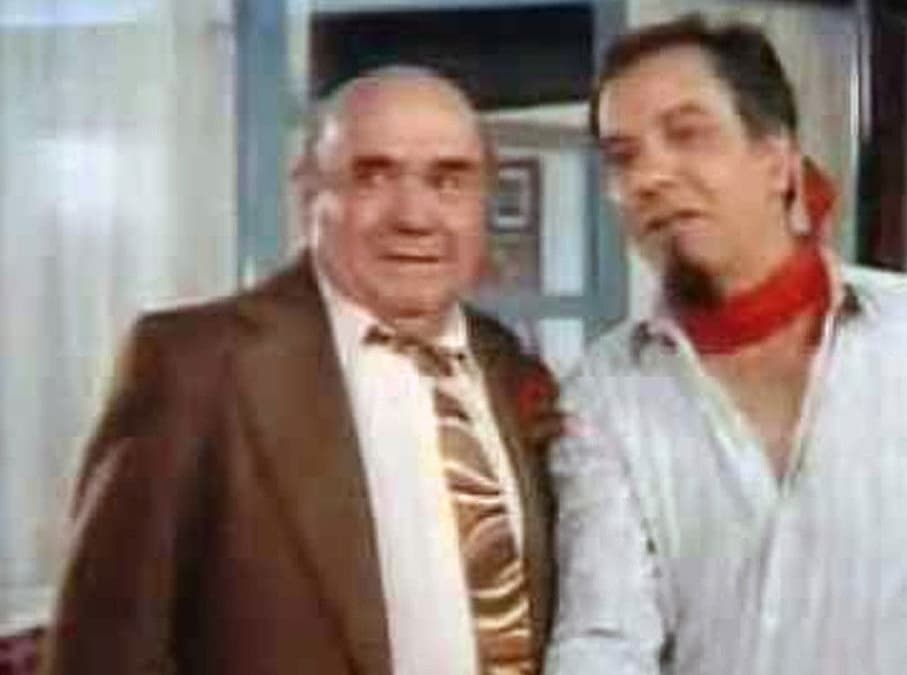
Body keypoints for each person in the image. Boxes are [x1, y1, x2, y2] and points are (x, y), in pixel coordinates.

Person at [546, 15, 907, 675]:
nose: (649, 177)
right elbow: (605, 634)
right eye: (622, 157)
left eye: (687, 134)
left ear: (777, 159)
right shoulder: (604, 391)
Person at [39, 66, 559, 675]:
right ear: (310, 193)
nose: (415, 216)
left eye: (449, 181)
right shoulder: (195, 366)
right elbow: (100, 653)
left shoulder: (506, 363)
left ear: (483, 201)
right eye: (373, 175)